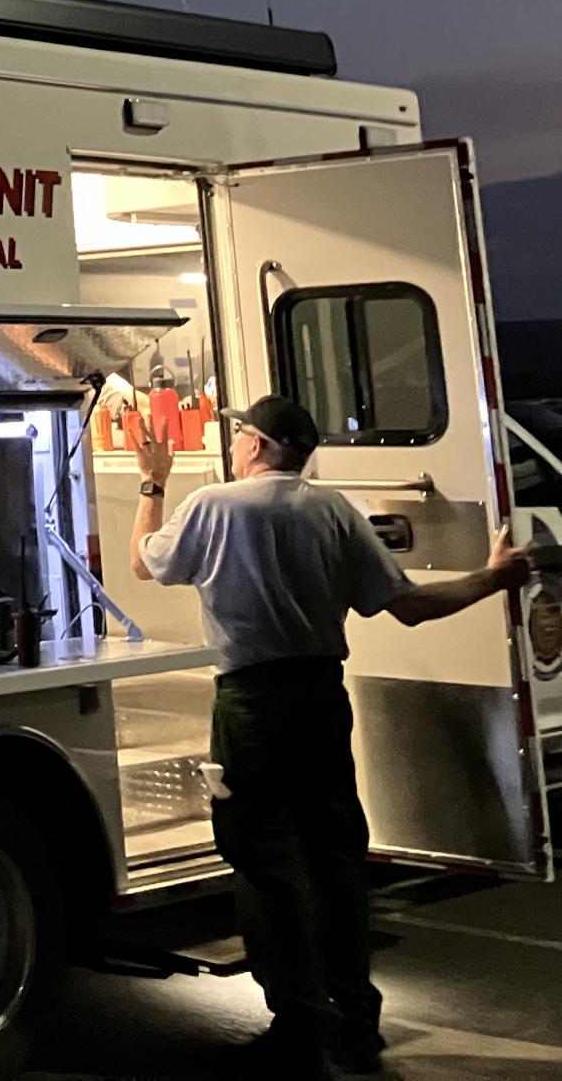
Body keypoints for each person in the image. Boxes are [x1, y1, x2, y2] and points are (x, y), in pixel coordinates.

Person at [132, 394, 531, 1075]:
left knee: (266, 863)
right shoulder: (334, 509)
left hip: (251, 706)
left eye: (239, 438)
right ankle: (356, 1019)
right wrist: (494, 579)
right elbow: (409, 608)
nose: (233, 449)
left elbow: (147, 562)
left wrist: (152, 479)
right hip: (321, 698)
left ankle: (298, 1023)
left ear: (256, 445)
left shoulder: (214, 505)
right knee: (335, 858)